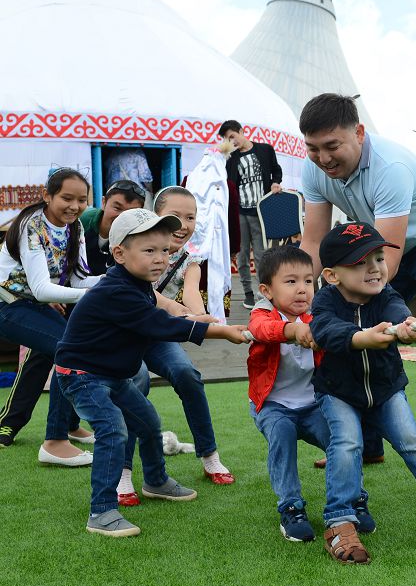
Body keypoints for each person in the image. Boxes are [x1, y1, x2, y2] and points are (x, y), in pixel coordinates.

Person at [299, 93, 416, 502]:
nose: (323, 158)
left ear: (359, 133)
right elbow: (313, 242)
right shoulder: (312, 171)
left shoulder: (390, 168)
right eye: (313, 148)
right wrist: (299, 300)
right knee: (348, 329)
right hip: (377, 248)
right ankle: (365, 445)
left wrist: (350, 316)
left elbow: (387, 266)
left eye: (333, 146)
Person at [54, 208, 247, 536]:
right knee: (114, 430)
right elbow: (158, 325)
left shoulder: (138, 284)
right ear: (119, 253)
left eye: (165, 251)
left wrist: (193, 320)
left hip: (113, 374)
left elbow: (158, 316)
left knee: (147, 422)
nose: (161, 259)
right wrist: (221, 332)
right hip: (82, 375)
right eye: (149, 250)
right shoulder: (117, 290)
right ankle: (101, 511)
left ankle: (156, 481)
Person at [310, 222, 416, 564]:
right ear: (331, 275)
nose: (374, 268)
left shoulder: (386, 294)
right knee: (346, 444)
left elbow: (397, 312)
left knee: (413, 440)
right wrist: (363, 337)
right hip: (339, 392)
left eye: (378, 257)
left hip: (385, 390)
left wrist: (407, 327)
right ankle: (340, 522)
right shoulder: (325, 300)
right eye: (359, 262)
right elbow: (325, 331)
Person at [118, 187, 235, 506]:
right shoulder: (132, 247)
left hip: (156, 337)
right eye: (176, 217)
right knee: (135, 381)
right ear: (156, 217)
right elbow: (146, 296)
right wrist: (178, 310)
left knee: (186, 372)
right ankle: (123, 472)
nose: (183, 224)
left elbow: (192, 293)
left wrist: (198, 315)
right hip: (124, 338)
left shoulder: (189, 259)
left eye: (191, 217)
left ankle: (209, 455)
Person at [0, 168, 100, 461]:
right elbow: (43, 289)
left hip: (33, 304)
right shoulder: (32, 225)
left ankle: (58, 426)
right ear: (47, 196)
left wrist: (117, 279)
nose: (74, 206)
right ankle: (54, 442)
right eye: (66, 198)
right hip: (8, 303)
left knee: (51, 352)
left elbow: (80, 278)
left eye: (82, 200)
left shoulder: (76, 227)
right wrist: (96, 294)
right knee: (67, 349)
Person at [247, 245, 335, 542]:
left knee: (341, 439)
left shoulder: (320, 316)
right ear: (267, 290)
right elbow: (261, 329)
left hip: (313, 404)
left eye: (308, 281)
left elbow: (340, 333)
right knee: (282, 435)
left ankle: (351, 499)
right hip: (272, 405)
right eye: (291, 281)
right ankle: (291, 507)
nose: (302, 289)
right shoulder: (262, 313)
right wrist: (293, 331)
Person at [219, 120, 283, 309]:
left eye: (232, 136)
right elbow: (227, 183)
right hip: (240, 212)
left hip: (261, 212)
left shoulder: (265, 150)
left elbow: (276, 171)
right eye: (226, 139)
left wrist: (275, 182)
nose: (231, 141)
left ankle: (265, 292)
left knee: (263, 254)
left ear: (241, 131)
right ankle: (247, 293)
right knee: (242, 253)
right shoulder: (230, 158)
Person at [80, 179, 147, 274]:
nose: (122, 217)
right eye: (117, 208)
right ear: (103, 203)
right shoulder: (81, 220)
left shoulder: (140, 234)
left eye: (130, 212)